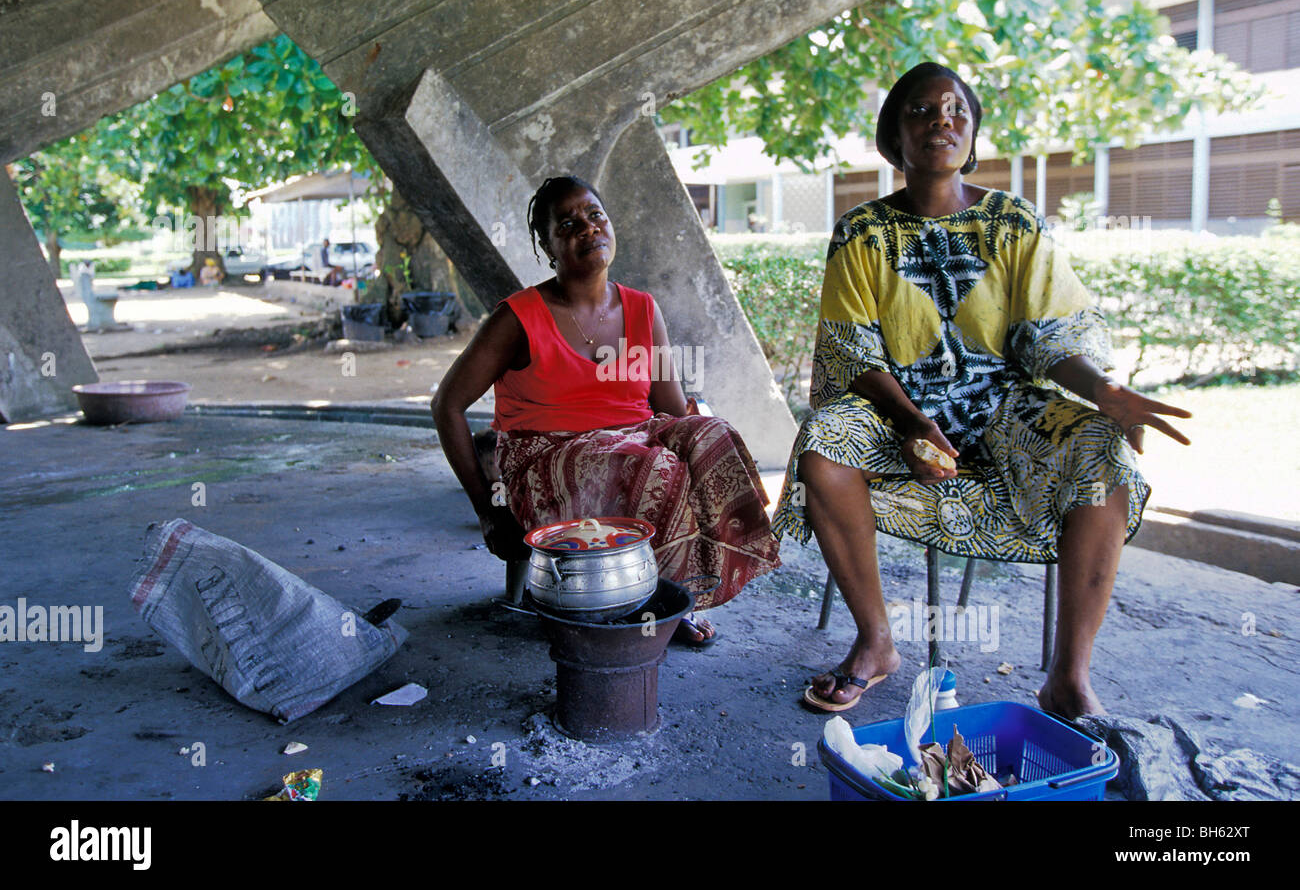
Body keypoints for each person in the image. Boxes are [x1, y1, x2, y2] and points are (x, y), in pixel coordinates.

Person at [771, 62, 1192, 719]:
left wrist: (1105, 391)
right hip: (896, 415)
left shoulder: (1014, 224)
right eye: (922, 111)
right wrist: (912, 424)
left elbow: (1051, 336)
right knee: (823, 443)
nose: (942, 121)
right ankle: (877, 642)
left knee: (1103, 453)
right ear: (895, 137)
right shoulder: (862, 232)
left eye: (956, 112)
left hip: (1003, 412)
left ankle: (1068, 679)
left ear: (972, 137)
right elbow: (853, 354)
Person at [432, 175, 780, 645]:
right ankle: (656, 604)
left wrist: (701, 439)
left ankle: (684, 593)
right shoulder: (518, 318)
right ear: (547, 245)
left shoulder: (641, 308)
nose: (588, 229)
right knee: (652, 467)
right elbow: (447, 405)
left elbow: (671, 409)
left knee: (712, 437)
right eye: (569, 224)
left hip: (634, 436)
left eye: (595, 215)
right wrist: (487, 509)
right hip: (545, 457)